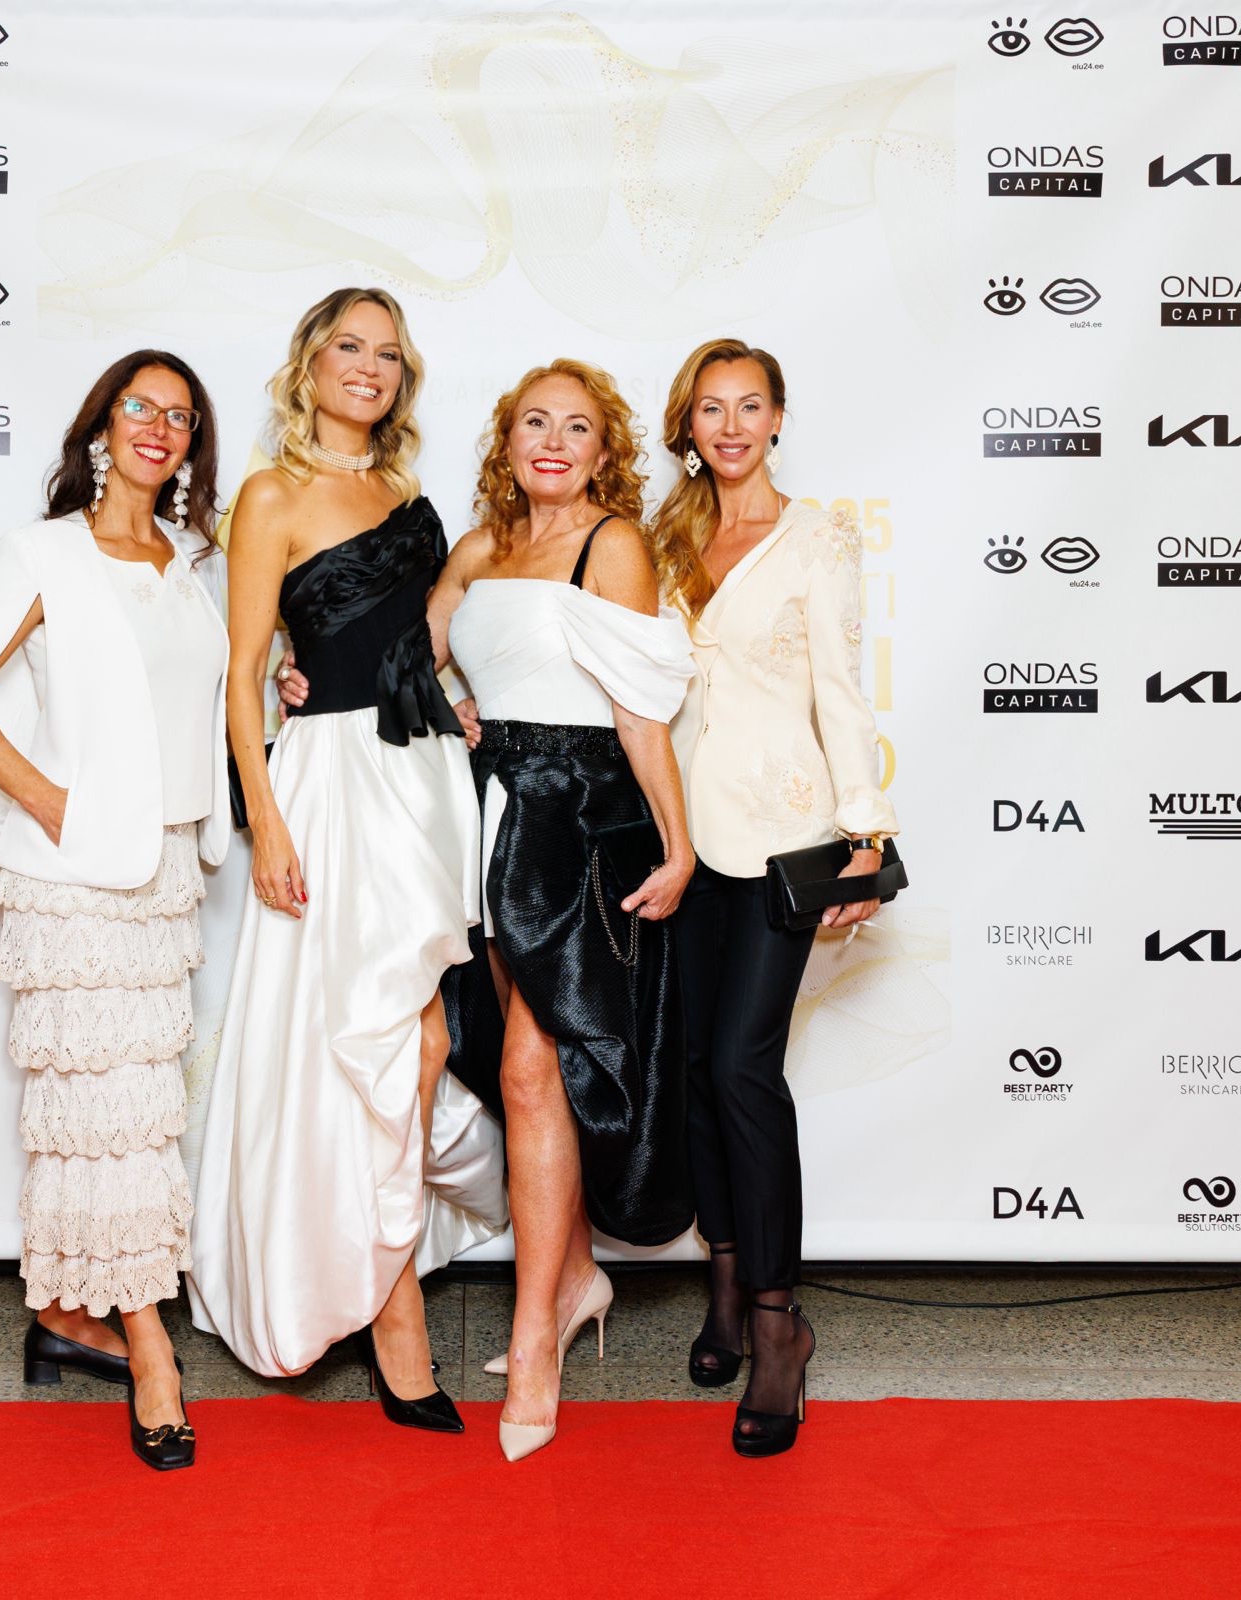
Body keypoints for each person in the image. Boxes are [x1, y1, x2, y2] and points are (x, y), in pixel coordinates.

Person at [0, 350, 230, 1471]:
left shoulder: (190, 561)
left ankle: (67, 1319)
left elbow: (187, 699)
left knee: (127, 1120)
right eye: (140, 407)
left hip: (163, 871)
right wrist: (47, 799)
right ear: (101, 426)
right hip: (74, 883)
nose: (160, 427)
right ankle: (152, 1352)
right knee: (105, 1111)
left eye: (180, 416)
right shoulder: (47, 553)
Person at [186, 288, 506, 1428]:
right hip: (328, 784)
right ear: (310, 363)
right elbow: (242, 673)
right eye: (348, 347)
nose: (368, 367)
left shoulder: (408, 495)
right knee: (371, 1042)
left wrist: (454, 699)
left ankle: (383, 1271)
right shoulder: (270, 495)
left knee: (423, 1037)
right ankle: (393, 1311)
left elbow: (414, 639)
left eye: (388, 353)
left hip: (421, 779)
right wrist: (268, 819)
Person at [433, 359, 697, 1461]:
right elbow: (407, 654)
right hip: (485, 814)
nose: (552, 440)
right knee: (508, 1061)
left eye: (576, 427)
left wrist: (680, 844)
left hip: (578, 823)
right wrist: (436, 700)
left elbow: (639, 712)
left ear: (603, 450)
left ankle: (534, 1335)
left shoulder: (613, 544)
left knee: (536, 1069)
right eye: (533, 422)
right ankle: (577, 1274)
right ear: (506, 442)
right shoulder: (479, 548)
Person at [653, 337, 899, 1457]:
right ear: (689, 425)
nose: (731, 426)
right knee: (695, 1070)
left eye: (749, 406)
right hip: (677, 839)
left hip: (782, 834)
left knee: (745, 1069)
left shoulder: (818, 537)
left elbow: (841, 690)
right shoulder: (663, 536)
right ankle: (721, 1283)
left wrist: (865, 832)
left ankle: (776, 1322)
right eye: (711, 408)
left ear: (779, 417)